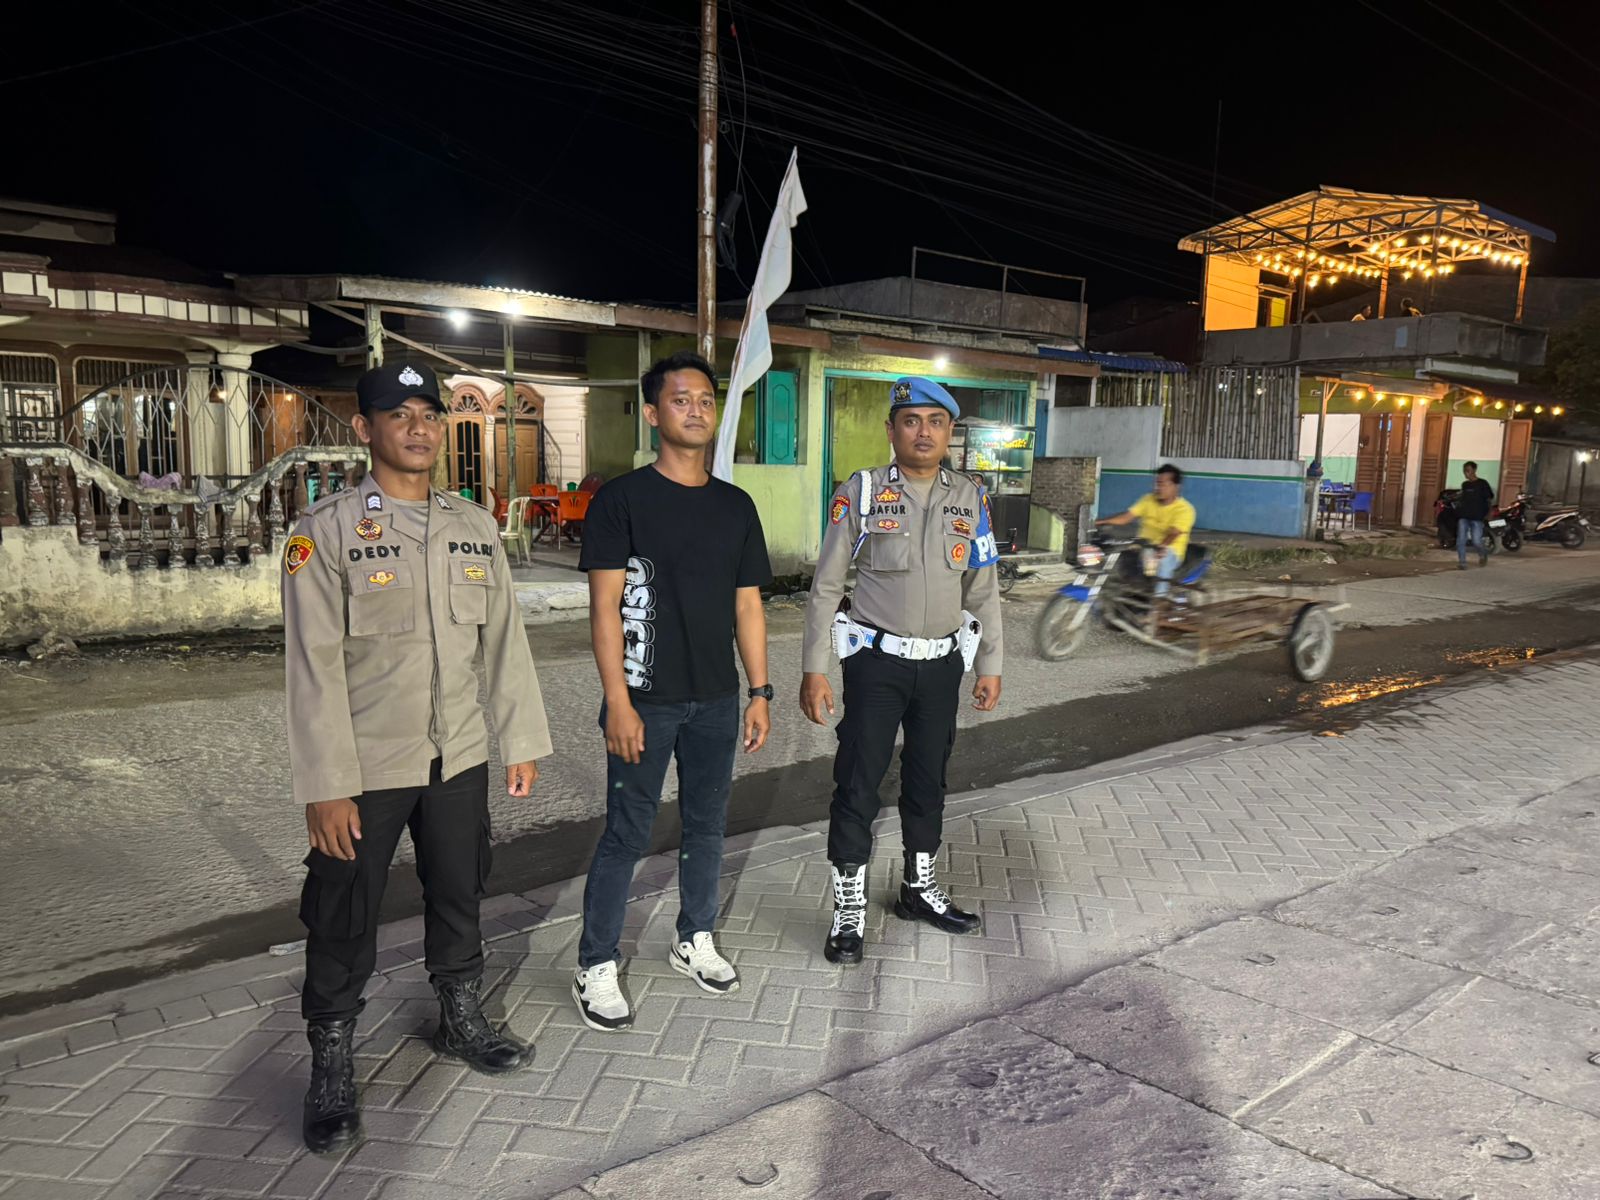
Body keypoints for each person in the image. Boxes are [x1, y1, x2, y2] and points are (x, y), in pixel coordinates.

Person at [283, 361, 552, 1154]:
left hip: (458, 756)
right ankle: (332, 1059)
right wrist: (325, 786)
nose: (419, 428)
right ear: (364, 429)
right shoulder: (325, 531)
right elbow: (311, 668)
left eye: (430, 414)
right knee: (342, 910)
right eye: (399, 414)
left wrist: (521, 739)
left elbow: (504, 643)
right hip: (364, 767)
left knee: (461, 889)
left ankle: (459, 1017)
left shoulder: (472, 526)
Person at [571, 350, 773, 1031]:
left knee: (708, 826)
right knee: (626, 833)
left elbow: (748, 606)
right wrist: (618, 702)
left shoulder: (735, 506)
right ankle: (596, 963)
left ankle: (695, 938)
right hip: (645, 700)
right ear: (653, 414)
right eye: (681, 400)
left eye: (706, 400)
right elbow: (604, 609)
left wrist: (760, 691)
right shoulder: (622, 500)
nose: (696, 410)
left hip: (716, 699)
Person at [800, 376, 1003, 965]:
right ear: (892, 430)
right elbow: (826, 586)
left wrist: (989, 664)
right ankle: (849, 909)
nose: (923, 432)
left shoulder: (971, 498)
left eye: (936, 421)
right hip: (875, 666)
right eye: (911, 420)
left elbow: (983, 588)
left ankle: (919, 889)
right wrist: (815, 668)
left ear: (949, 432)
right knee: (858, 782)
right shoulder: (862, 492)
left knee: (927, 781)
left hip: (941, 667)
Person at [1098, 464, 1197, 599]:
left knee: (1162, 561)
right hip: (1143, 546)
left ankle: (1159, 601)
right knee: (1117, 559)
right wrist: (1102, 522)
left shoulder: (1185, 509)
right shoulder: (1148, 499)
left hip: (1169, 551)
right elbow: (1126, 517)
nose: (1158, 487)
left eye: (1162, 484)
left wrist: (1163, 546)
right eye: (1157, 483)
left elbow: (1174, 532)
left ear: (1176, 487)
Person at [1456, 460, 1495, 569]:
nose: (1466, 473)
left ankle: (1483, 554)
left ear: (1474, 470)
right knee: (1461, 540)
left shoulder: (1482, 483)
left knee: (1476, 541)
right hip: (1464, 516)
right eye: (1464, 471)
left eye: (1468, 470)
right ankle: (1462, 563)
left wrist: (1489, 513)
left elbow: (1489, 499)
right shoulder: (1465, 485)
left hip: (1477, 517)